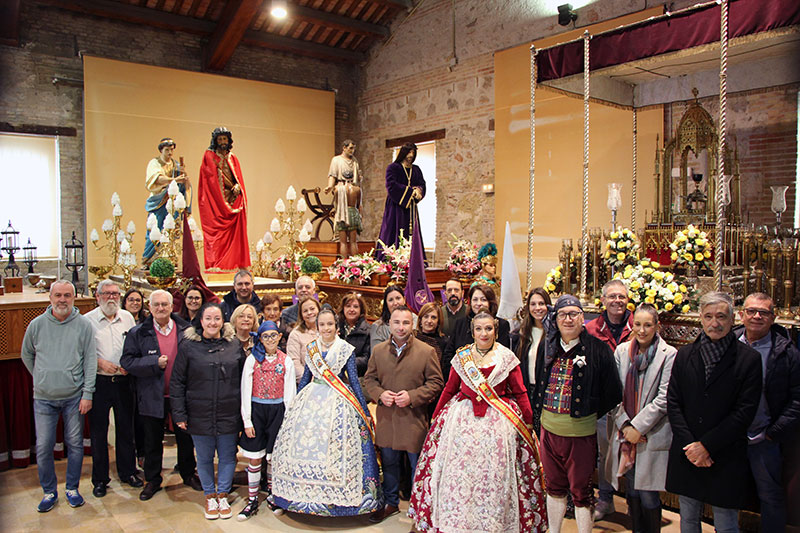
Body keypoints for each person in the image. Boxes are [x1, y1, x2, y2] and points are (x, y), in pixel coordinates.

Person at [409, 311, 547, 533]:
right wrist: (436, 416)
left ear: (496, 330)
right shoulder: (462, 356)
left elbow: (520, 392)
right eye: (479, 329)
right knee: (460, 474)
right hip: (461, 423)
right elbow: (450, 388)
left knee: (494, 475)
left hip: (498, 423)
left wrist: (528, 422)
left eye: (489, 329)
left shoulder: (506, 357)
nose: (484, 333)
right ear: (472, 332)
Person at [269, 308, 383, 516]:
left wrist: (365, 410)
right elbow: (305, 379)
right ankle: (298, 497)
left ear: (336, 327)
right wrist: (295, 405)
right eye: (322, 325)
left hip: (339, 400)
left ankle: (342, 502)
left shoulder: (345, 349)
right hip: (313, 399)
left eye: (330, 324)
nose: (326, 328)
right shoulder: (312, 348)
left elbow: (354, 382)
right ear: (317, 327)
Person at [666, 291, 762, 533]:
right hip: (688, 453)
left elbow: (744, 412)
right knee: (687, 519)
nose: (714, 323)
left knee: (726, 523)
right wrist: (690, 445)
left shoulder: (748, 359)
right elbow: (674, 403)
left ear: (733, 320)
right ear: (701, 318)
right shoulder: (686, 354)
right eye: (708, 316)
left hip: (724, 453)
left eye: (721, 316)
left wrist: (706, 446)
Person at [531, 294, 623, 533]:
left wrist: (588, 412)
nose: (568, 319)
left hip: (580, 433)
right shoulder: (547, 345)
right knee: (553, 487)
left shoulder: (598, 350)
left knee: (581, 491)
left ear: (583, 317)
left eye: (574, 314)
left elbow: (613, 392)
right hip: (549, 431)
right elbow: (540, 382)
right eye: (563, 314)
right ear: (556, 318)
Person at [21, 280, 96, 513]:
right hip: (43, 398)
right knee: (43, 447)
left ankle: (72, 489)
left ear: (74, 298)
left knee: (74, 445)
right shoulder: (36, 325)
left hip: (74, 397)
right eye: (58, 295)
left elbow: (90, 361)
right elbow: (27, 355)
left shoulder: (83, 325)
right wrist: (43, 377)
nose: (62, 299)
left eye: (67, 295)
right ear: (50, 298)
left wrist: (87, 393)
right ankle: (49, 491)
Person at [365, 306, 444, 524]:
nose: (401, 327)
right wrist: (380, 395)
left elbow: (437, 383)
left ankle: (419, 512)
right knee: (389, 463)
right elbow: (369, 380)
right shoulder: (378, 351)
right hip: (387, 418)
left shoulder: (426, 351)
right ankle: (391, 502)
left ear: (413, 325)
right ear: (389, 324)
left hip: (413, 420)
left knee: (417, 467)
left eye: (406, 323)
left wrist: (413, 396)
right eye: (397, 322)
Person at [120, 290, 201, 500]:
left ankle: (187, 473)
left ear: (172, 306)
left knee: (186, 438)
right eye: (156, 305)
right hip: (152, 394)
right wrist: (153, 364)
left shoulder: (186, 330)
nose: (160, 308)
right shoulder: (138, 333)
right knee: (152, 440)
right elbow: (127, 362)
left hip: (181, 395)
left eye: (164, 304)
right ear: (149, 307)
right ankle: (153, 479)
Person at [605, 304, 676, 532]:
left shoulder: (669, 355)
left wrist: (638, 427)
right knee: (633, 489)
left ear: (657, 326)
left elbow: (664, 397)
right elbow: (613, 391)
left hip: (651, 432)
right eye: (637, 324)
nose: (642, 330)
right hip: (625, 431)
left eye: (648, 325)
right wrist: (625, 425)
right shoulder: (622, 351)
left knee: (648, 493)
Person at [170, 303, 245, 520]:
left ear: (223, 321)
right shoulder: (188, 346)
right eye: (208, 319)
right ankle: (209, 495)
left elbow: (243, 379)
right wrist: (180, 414)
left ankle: (222, 493)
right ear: (201, 321)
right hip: (198, 411)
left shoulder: (233, 344)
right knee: (203, 457)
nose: (213, 323)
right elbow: (177, 382)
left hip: (228, 410)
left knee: (228, 456)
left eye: (217, 319)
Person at [734, 293, 800, 533]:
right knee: (729, 491)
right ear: (741, 315)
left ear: (774, 317)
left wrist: (774, 432)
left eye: (764, 312)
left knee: (770, 494)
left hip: (764, 436)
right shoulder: (730, 343)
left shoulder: (786, 352)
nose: (757, 316)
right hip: (731, 435)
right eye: (751, 311)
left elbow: (797, 397)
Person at [85, 280, 142, 498]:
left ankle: (128, 472)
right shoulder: (87, 320)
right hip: (99, 382)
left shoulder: (127, 317)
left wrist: (130, 365)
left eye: (115, 294)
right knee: (99, 432)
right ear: (98, 297)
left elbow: (134, 346)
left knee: (126, 429)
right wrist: (100, 363)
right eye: (106, 294)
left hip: (123, 382)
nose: (111, 297)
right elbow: (83, 351)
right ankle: (100, 479)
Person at [237, 320, 297, 521]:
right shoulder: (253, 359)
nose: (270, 340)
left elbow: (290, 392)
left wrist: (288, 419)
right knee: (255, 456)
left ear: (279, 337)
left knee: (272, 457)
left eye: (274, 335)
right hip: (257, 410)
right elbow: (245, 389)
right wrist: (247, 420)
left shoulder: (285, 361)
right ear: (260, 339)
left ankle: (273, 494)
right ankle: (253, 498)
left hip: (277, 411)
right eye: (265, 336)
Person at [585, 278, 634, 520]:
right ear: (603, 300)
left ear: (628, 300)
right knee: (604, 453)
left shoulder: (638, 326)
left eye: (621, 297)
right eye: (612, 296)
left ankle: (636, 501)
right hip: (605, 404)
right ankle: (605, 499)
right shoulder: (592, 328)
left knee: (634, 451)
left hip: (633, 402)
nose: (617, 301)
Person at [198, 126, 250, 269]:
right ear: (215, 140)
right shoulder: (209, 156)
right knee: (217, 236)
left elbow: (238, 178)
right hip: (216, 202)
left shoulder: (233, 158)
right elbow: (211, 179)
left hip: (233, 198)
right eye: (220, 139)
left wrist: (238, 186)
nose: (222, 141)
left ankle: (234, 264)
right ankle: (217, 265)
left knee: (235, 234)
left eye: (224, 139)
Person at [442, 284, 511, 381]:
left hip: (491, 382)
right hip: (461, 381)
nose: (479, 303)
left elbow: (504, 358)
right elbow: (449, 354)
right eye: (475, 300)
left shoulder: (502, 325)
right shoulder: (460, 323)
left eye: (483, 299)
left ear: (490, 302)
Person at [376, 142, 426, 260]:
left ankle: (413, 259)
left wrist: (419, 191)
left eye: (413, 153)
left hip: (411, 208)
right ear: (403, 153)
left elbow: (422, 184)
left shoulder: (416, 169)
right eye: (409, 152)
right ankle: (392, 259)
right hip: (395, 205)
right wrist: (409, 192)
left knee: (412, 231)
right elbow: (391, 185)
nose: (411, 155)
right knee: (393, 230)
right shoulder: (393, 168)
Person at [144, 137, 190, 263]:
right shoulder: (154, 163)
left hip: (171, 203)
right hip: (158, 201)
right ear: (161, 150)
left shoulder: (175, 164)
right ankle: (149, 259)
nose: (170, 153)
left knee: (170, 228)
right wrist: (174, 180)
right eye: (167, 150)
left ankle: (168, 256)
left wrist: (184, 179)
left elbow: (185, 184)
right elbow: (157, 179)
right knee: (155, 228)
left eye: (171, 150)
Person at [516, 287, 551, 432]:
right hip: (527, 391)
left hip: (546, 393)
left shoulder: (554, 333)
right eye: (533, 304)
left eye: (541, 304)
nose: (537, 308)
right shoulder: (522, 333)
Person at [324, 139, 362, 258]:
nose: (352, 151)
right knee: (344, 241)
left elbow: (359, 201)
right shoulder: (336, 160)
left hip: (352, 193)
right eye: (350, 148)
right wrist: (330, 186)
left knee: (352, 240)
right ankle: (346, 263)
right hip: (341, 190)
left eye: (353, 148)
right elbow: (332, 175)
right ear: (344, 148)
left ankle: (354, 263)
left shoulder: (354, 161)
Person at [285, 296, 321, 382]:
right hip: (307, 383)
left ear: (319, 310)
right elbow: (294, 363)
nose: (309, 312)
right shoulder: (295, 334)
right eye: (305, 311)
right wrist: (311, 381)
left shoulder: (327, 329)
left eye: (312, 309)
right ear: (301, 315)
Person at [370, 285, 415, 351]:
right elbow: (376, 356)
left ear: (404, 300)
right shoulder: (378, 327)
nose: (395, 303)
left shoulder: (416, 320)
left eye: (398, 298)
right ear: (386, 303)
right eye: (391, 300)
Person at [337, 292, 371, 376]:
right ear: (343, 308)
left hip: (358, 376)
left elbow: (367, 359)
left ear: (361, 310)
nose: (351, 309)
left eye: (355, 307)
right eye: (348, 306)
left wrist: (346, 362)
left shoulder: (368, 330)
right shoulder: (335, 326)